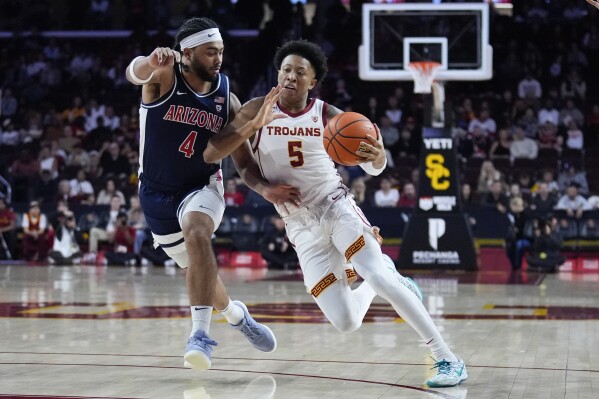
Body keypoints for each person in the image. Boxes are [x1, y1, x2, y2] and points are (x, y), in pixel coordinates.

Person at [204, 39, 467, 388]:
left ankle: (447, 357)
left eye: (300, 72)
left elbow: (373, 165)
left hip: (334, 206)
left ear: (313, 81)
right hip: (298, 225)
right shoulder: (255, 109)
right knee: (346, 321)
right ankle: (382, 272)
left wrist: (377, 157)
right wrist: (266, 190)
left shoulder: (329, 116)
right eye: (286, 69)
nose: (291, 76)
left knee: (375, 274)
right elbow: (240, 162)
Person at [125, 17, 299, 371]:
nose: (219, 58)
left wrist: (265, 189)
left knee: (198, 232)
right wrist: (150, 60)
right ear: (187, 53)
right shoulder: (164, 76)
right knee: (198, 270)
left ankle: (200, 337)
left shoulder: (227, 98)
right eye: (210, 52)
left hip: (202, 186)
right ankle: (237, 316)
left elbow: (245, 163)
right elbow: (134, 73)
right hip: (156, 195)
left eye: (221, 51)